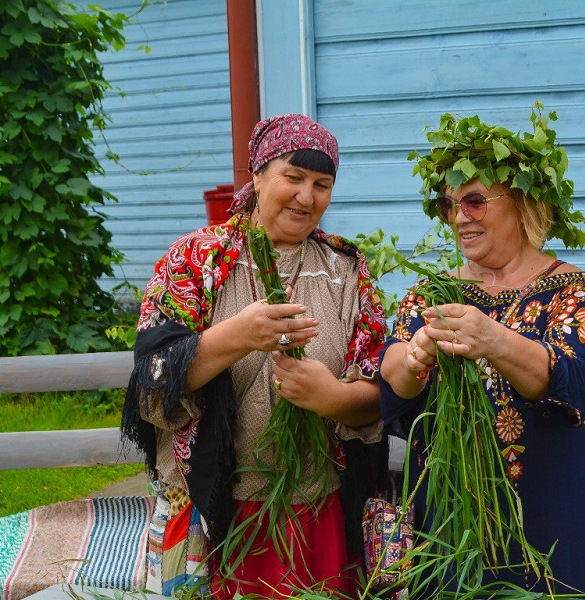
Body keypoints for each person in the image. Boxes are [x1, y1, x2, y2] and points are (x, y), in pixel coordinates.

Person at [121, 113, 388, 598]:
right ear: (258, 175)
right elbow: (152, 388)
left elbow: (377, 393)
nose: (307, 197)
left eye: (321, 184)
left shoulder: (347, 272)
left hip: (317, 511)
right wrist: (238, 336)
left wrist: (332, 400)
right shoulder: (196, 261)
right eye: (293, 177)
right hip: (211, 513)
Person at [378, 111, 585, 597]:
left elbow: (577, 383)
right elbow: (392, 390)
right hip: (452, 524)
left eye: (474, 201)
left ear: (524, 203)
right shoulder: (434, 292)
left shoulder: (575, 292)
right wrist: (413, 360)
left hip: (550, 516)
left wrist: (495, 340)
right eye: (449, 204)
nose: (459, 217)